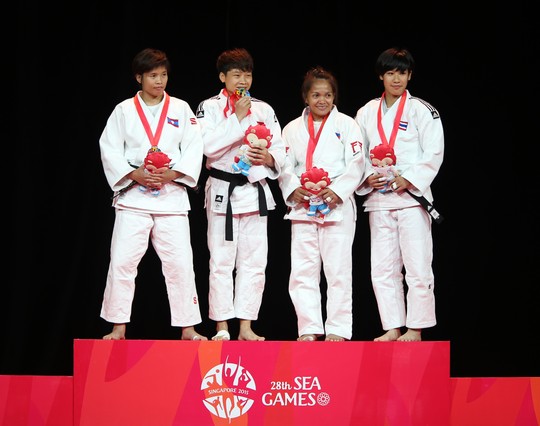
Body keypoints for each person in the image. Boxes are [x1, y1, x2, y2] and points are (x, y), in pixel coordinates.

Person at [99, 48, 207, 341]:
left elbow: (194, 146)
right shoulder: (124, 110)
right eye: (153, 75)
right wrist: (133, 174)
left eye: (163, 75)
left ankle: (188, 328)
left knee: (180, 264)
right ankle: (118, 327)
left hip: (171, 196)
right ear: (139, 78)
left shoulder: (181, 108)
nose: (159, 81)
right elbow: (109, 148)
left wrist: (173, 174)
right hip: (133, 196)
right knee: (122, 262)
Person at [195, 47, 286, 341]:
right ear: (223, 77)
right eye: (236, 75)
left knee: (254, 262)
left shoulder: (264, 109)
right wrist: (237, 117)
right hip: (223, 190)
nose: (243, 81)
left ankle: (246, 326)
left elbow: (280, 148)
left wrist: (269, 157)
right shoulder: (209, 107)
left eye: (247, 75)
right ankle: (222, 326)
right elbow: (207, 147)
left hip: (255, 190)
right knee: (221, 261)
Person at [354, 47, 444, 342]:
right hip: (379, 200)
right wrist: (367, 177)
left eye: (402, 73)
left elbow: (434, 152)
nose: (396, 79)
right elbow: (357, 154)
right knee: (382, 269)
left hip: (411, 200)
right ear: (381, 76)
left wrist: (409, 179)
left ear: (410, 75)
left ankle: (415, 328)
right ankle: (392, 326)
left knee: (417, 265)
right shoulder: (366, 112)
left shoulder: (422, 110)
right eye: (390, 73)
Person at [278, 66, 366, 342]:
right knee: (302, 270)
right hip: (304, 206)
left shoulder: (347, 125)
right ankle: (309, 328)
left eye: (328, 95)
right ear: (305, 97)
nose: (322, 100)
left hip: (335, 205)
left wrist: (337, 191)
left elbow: (357, 163)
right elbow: (284, 165)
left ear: (334, 97)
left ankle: (337, 329)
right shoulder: (291, 128)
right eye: (316, 95)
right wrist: (293, 188)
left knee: (338, 270)